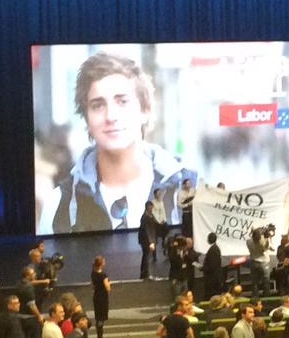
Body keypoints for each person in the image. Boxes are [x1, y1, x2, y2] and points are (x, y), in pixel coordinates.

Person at [38, 52, 195, 234]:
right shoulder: (58, 205)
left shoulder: (189, 189)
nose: (111, 116)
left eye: (122, 102)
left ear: (145, 110)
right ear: (87, 119)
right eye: (98, 105)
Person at [15, 267, 43, 338]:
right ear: (27, 276)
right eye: (33, 274)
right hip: (30, 318)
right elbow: (31, 305)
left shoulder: (18, 284)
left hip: (19, 316)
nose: (35, 274)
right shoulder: (29, 288)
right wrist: (39, 316)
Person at [246, 227, 271, 297]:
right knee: (266, 281)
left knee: (254, 281)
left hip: (254, 261)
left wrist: (253, 231)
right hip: (264, 262)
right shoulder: (263, 243)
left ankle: (255, 296)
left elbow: (252, 237)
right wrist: (268, 236)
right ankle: (266, 296)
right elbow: (270, 247)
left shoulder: (248, 241)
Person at [91, 256, 110, 338]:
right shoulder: (103, 275)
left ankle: (99, 333)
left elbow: (92, 286)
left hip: (96, 297)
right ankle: (100, 335)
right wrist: (109, 284)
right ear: (101, 264)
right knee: (101, 318)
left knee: (98, 317)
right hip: (103, 298)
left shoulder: (93, 273)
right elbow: (108, 288)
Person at [139, 201, 158, 279]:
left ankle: (144, 271)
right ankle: (146, 273)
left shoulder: (151, 216)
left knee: (146, 256)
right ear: (147, 207)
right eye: (151, 207)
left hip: (150, 239)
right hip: (145, 240)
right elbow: (146, 231)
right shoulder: (144, 218)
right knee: (146, 256)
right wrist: (150, 242)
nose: (152, 209)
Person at [202, 233, 222, 300]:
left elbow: (212, 265)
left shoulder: (213, 250)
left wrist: (203, 268)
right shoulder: (214, 248)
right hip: (213, 277)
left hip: (212, 279)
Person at [152, 188, 169, 258]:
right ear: (155, 195)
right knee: (154, 240)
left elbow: (163, 212)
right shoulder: (152, 203)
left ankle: (165, 250)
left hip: (163, 222)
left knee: (165, 237)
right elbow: (154, 214)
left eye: (160, 193)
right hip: (156, 224)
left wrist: (164, 220)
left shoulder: (161, 202)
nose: (159, 195)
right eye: (158, 193)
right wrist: (159, 221)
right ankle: (154, 254)